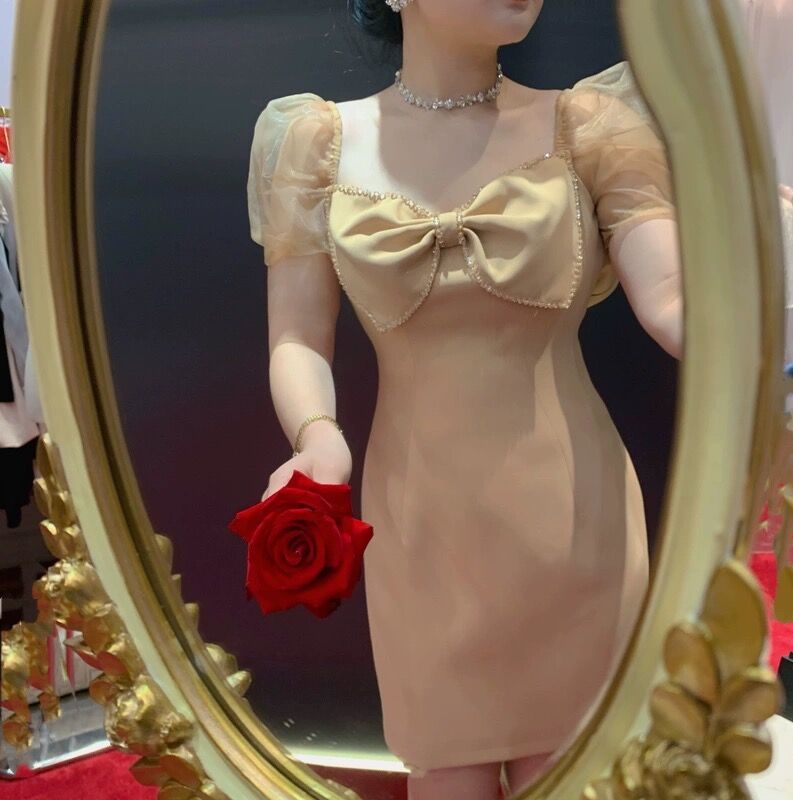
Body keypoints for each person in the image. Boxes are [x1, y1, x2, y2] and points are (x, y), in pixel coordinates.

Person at [246, 1, 683, 797]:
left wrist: (769, 270)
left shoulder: (592, 125)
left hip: (574, 523)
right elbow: (298, 337)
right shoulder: (317, 143)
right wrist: (317, 435)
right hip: (421, 526)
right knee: (447, 774)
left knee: (578, 776)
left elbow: (675, 304)